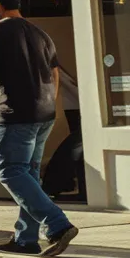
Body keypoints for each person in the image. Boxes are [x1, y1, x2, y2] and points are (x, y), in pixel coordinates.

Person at [0, 0, 79, 257]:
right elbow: (55, 73)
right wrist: (47, 102)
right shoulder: (41, 33)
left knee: (10, 171)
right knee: (29, 176)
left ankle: (58, 225)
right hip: (43, 114)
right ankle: (26, 239)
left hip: (16, 115)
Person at [42, 67, 87, 202]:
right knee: (75, 149)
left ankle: (65, 186)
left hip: (75, 107)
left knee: (75, 149)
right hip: (74, 107)